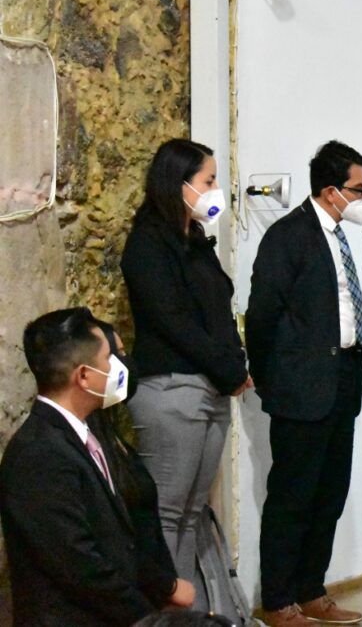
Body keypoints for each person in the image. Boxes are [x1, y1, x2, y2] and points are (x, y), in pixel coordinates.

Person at [121, 139, 253, 611]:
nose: (215, 189)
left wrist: (235, 364)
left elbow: (217, 309)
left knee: (193, 511)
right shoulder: (147, 245)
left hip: (210, 388)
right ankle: (168, 612)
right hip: (172, 388)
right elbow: (173, 320)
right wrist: (227, 367)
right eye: (208, 180)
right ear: (178, 184)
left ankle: (195, 611)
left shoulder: (195, 240)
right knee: (168, 513)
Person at [246, 140, 362, 627]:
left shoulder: (337, 235)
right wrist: (271, 379)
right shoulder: (289, 236)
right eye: (358, 189)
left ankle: (311, 589)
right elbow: (263, 315)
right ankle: (279, 600)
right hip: (301, 387)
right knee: (293, 497)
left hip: (343, 379)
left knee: (329, 494)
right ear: (330, 190)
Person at [0, 307, 189, 626]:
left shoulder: (82, 435)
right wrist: (149, 618)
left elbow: (116, 539)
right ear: (84, 376)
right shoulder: (39, 453)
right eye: (108, 359)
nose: (117, 367)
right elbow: (78, 564)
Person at [89, 320, 196, 611]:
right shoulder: (65, 447)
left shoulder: (107, 430)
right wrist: (165, 588)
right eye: (114, 356)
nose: (125, 365)